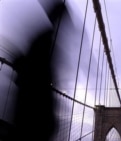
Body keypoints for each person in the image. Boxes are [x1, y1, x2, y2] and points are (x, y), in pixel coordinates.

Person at [11, 2, 67, 141]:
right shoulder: (46, 41)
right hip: (35, 114)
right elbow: (41, 80)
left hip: (27, 112)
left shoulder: (42, 38)